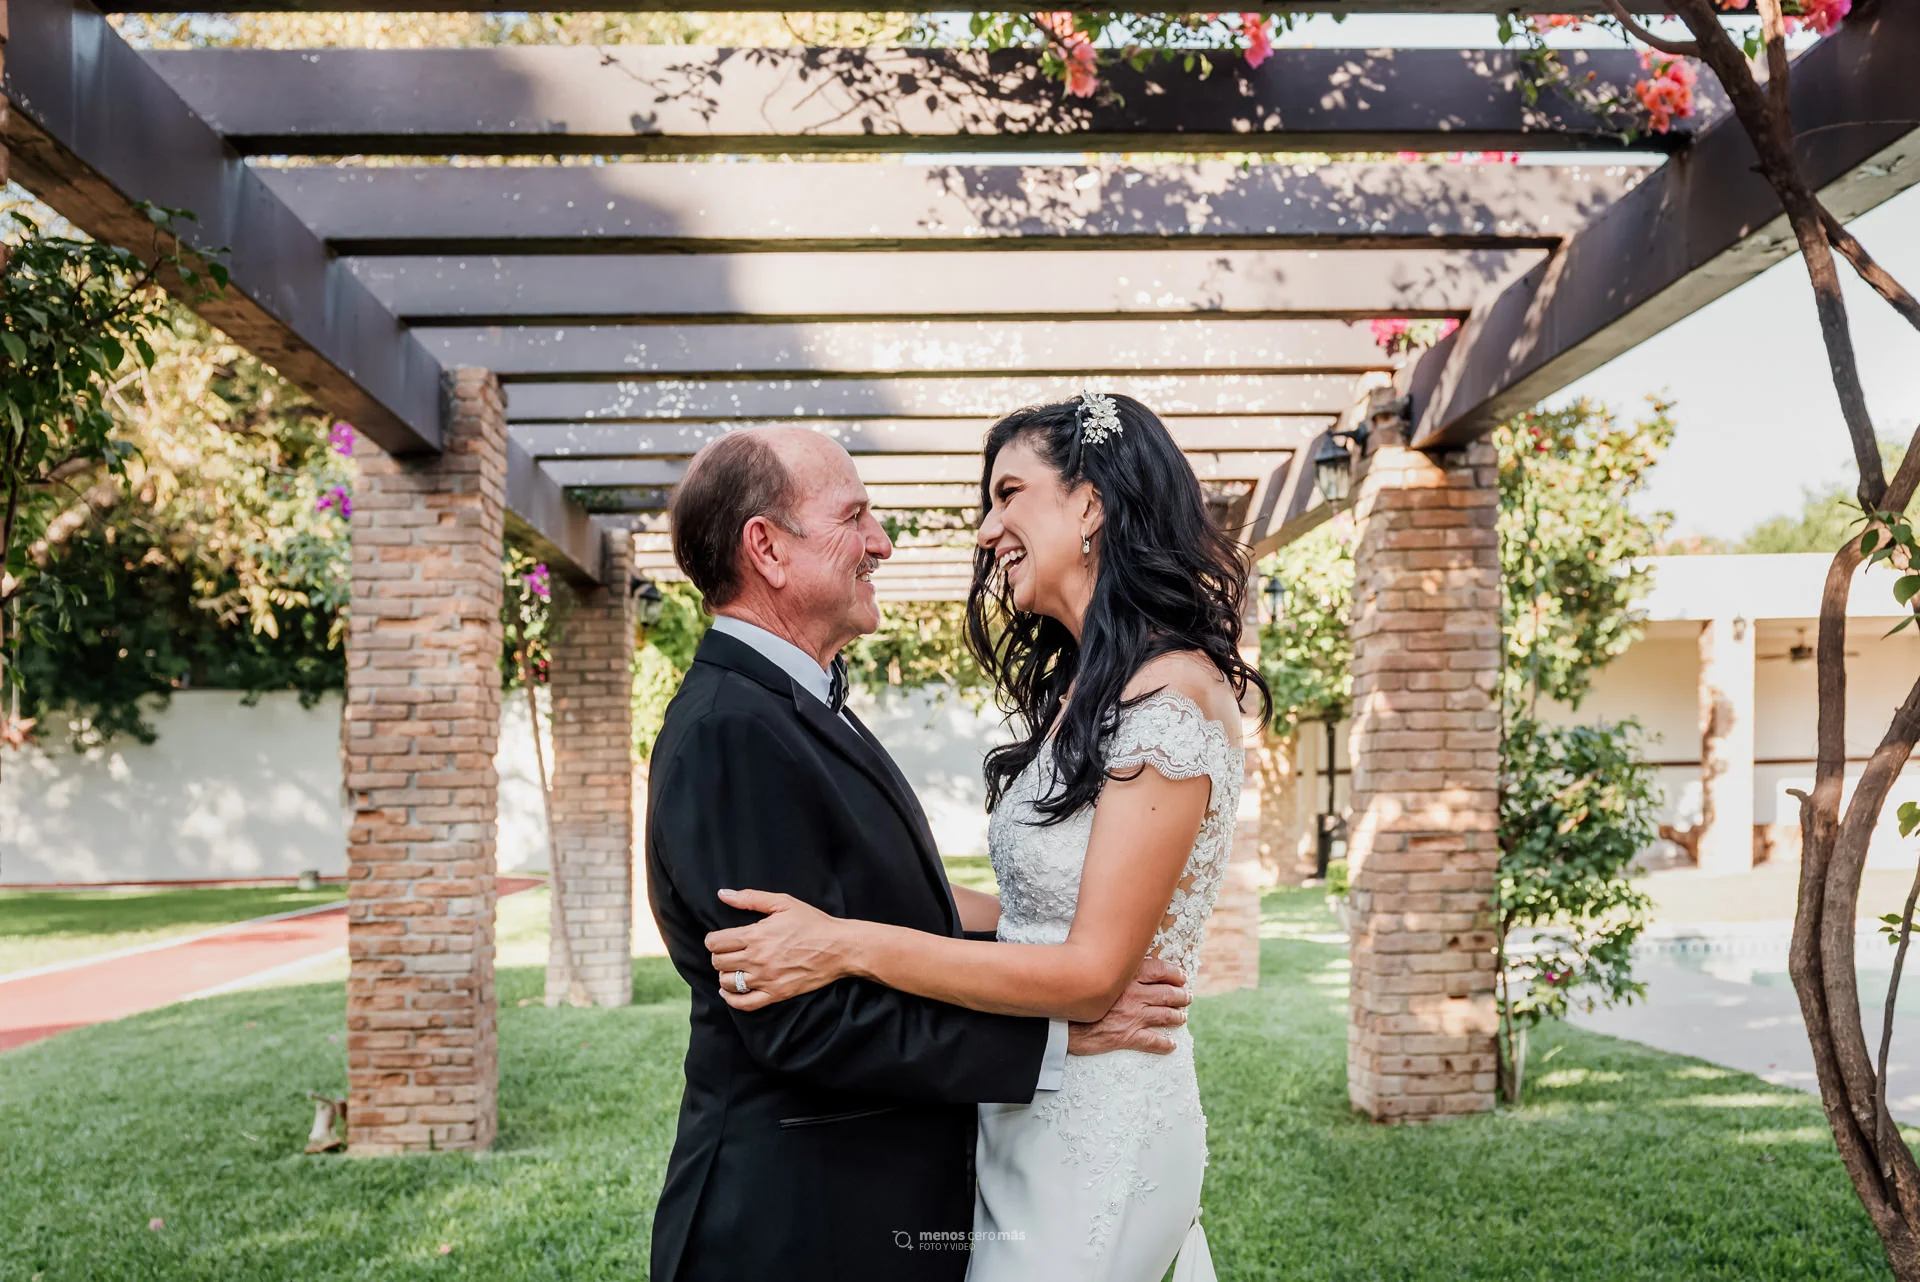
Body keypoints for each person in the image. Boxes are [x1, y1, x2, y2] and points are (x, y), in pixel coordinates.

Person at [705, 392, 1270, 1282]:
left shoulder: (1172, 701)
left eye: (1010, 494)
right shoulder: (1092, 688)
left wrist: (846, 943)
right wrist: (838, 913)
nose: (984, 529)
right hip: (1020, 1118)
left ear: (1090, 504)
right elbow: (1034, 909)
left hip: (1102, 1118)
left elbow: (1090, 976)